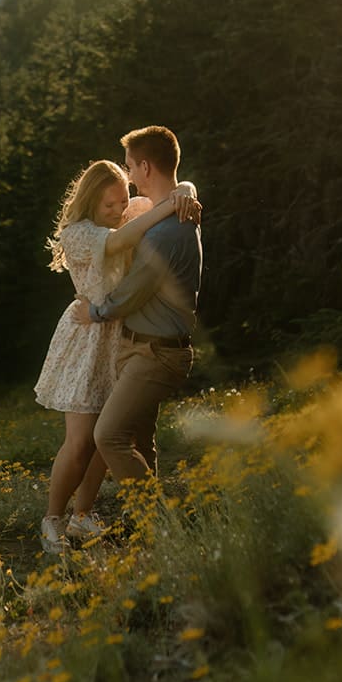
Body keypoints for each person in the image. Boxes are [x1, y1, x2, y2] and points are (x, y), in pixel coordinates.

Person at [35, 158, 200, 554]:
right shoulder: (78, 233)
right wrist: (166, 207)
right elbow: (118, 243)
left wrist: (188, 192)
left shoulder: (129, 215)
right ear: (91, 201)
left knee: (110, 435)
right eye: (109, 205)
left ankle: (82, 515)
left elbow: (177, 185)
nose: (117, 210)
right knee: (80, 443)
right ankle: (52, 519)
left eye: (122, 201)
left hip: (121, 336)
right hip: (86, 334)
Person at [70, 126, 202, 486]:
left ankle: (159, 518)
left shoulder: (166, 230)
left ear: (145, 167)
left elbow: (132, 292)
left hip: (157, 352)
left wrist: (93, 313)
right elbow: (179, 190)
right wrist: (186, 188)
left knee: (108, 435)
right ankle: (146, 527)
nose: (127, 175)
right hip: (139, 346)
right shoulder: (170, 208)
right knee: (142, 442)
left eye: (129, 167)